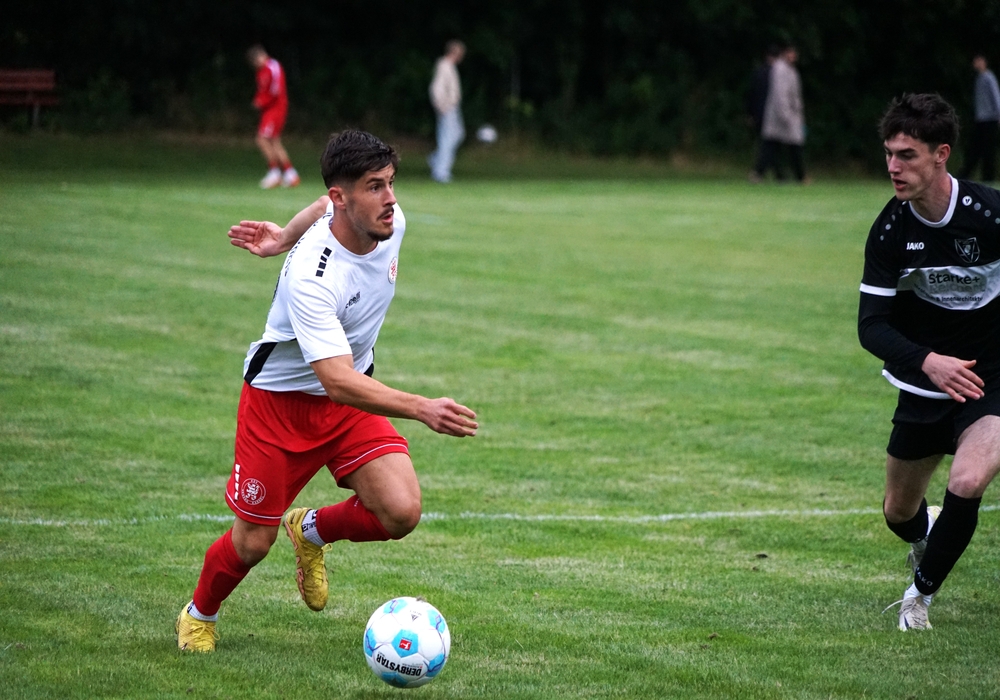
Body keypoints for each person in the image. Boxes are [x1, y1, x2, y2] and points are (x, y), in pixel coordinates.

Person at [176, 130, 478, 652]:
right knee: (252, 543)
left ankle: (310, 530)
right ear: (344, 197)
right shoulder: (313, 278)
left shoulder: (388, 223)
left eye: (391, 183)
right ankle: (199, 614)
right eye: (375, 187)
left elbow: (319, 205)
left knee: (400, 511)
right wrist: (421, 407)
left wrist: (280, 237)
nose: (391, 199)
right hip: (281, 409)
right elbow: (335, 380)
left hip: (349, 401)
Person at [858, 93, 1000, 631]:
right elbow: (871, 326)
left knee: (968, 479)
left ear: (941, 154)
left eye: (907, 155)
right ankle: (927, 536)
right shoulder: (890, 232)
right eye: (889, 154)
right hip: (926, 382)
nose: (893, 167)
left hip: (991, 377)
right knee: (898, 512)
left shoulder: (989, 214)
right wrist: (930, 361)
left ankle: (918, 596)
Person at [247, 44, 299, 189]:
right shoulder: (261, 71)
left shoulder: (272, 67)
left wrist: (261, 101)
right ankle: (290, 174)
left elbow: (275, 90)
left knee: (262, 139)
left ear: (261, 55)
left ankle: (274, 173)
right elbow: (262, 89)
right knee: (273, 141)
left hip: (276, 108)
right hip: (269, 109)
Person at [755, 44, 807, 183]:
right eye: (790, 53)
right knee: (777, 145)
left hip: (789, 114)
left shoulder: (791, 71)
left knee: (777, 145)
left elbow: (794, 95)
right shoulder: (780, 70)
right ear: (784, 53)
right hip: (780, 115)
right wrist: (785, 114)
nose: (793, 56)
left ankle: (796, 175)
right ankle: (799, 176)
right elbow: (780, 94)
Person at [428, 40, 466, 183]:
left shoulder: (449, 66)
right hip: (446, 107)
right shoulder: (444, 66)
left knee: (457, 134)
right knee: (447, 138)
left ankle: (435, 159)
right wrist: (441, 105)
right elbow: (436, 88)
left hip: (452, 106)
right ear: (455, 52)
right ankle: (441, 171)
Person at [959, 54, 1000, 183]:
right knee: (975, 148)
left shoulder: (988, 77)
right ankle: (964, 175)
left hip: (989, 119)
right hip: (981, 119)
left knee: (988, 150)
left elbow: (996, 96)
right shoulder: (979, 78)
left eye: (978, 61)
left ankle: (988, 178)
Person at [747, 45, 780, 183]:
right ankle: (760, 171)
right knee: (770, 145)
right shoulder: (777, 74)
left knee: (767, 144)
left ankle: (777, 173)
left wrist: (750, 113)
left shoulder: (758, 72)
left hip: (758, 114)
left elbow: (750, 94)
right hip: (772, 115)